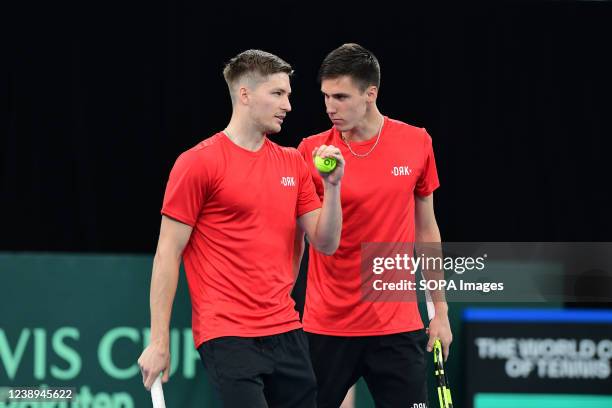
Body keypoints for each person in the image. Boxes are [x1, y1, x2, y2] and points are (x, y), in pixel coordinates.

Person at [137, 49, 345, 408]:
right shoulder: (198, 163)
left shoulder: (293, 162)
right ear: (245, 95)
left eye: (289, 95)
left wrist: (333, 186)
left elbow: (325, 243)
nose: (288, 105)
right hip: (227, 333)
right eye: (278, 94)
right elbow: (167, 254)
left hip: (286, 330)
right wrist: (159, 341)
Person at [296, 43, 452, 408]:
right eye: (325, 96)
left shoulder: (416, 142)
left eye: (340, 96)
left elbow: (427, 230)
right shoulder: (312, 151)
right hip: (326, 327)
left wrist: (440, 311)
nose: (329, 107)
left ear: (371, 94)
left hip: (396, 328)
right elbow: (296, 240)